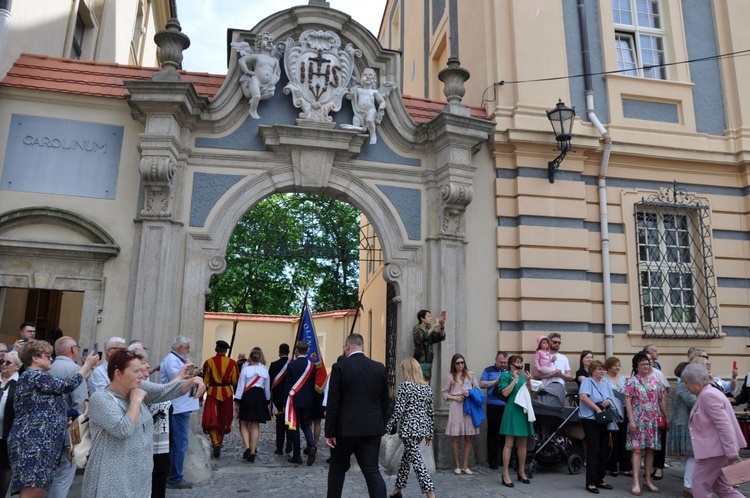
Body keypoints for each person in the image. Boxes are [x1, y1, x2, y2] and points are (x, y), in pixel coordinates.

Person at [81, 348, 205, 497]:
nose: (141, 376)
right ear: (118, 374)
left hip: (138, 478)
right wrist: (136, 401)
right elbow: (123, 430)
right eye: (135, 372)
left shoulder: (138, 387)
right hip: (112, 480)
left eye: (141, 370)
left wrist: (193, 380)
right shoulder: (101, 399)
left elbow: (165, 391)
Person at [8, 339, 99, 497]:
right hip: (34, 442)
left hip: (40, 441)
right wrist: (87, 365)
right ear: (35, 358)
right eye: (47, 356)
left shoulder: (38, 377)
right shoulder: (34, 376)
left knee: (38, 487)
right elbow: (67, 385)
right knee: (33, 490)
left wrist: (61, 419)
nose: (51, 359)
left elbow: (47, 404)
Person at [325, 333, 388, 498]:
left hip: (345, 430)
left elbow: (333, 403)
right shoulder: (379, 368)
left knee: (337, 469)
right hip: (372, 429)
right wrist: (382, 426)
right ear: (363, 347)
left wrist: (329, 432)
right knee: (372, 471)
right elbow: (385, 402)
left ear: (347, 347)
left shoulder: (340, 368)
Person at [681, 363, 746, 498]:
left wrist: (731, 451)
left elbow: (724, 425)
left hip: (713, 452)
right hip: (716, 450)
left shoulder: (708, 395)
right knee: (722, 487)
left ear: (696, 381)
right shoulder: (710, 392)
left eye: (686, 382)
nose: (685, 386)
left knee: (699, 485)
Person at [385, 358, 435, 498]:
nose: (402, 372)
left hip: (409, 430)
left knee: (417, 463)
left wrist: (387, 428)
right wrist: (429, 433)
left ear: (407, 370)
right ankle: (396, 492)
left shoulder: (405, 386)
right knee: (406, 461)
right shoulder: (427, 388)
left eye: (402, 369)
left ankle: (431, 494)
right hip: (421, 431)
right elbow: (430, 413)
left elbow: (398, 411)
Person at [46, 336, 88, 498]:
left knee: (49, 474)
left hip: (49, 431)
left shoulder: (48, 367)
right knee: (64, 475)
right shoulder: (74, 369)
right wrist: (83, 438)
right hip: (69, 430)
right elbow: (80, 404)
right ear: (72, 349)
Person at [159, 335, 201, 490]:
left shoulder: (179, 360)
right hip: (177, 407)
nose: (189, 350)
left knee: (179, 442)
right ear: (181, 348)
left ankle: (173, 474)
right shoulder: (171, 360)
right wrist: (194, 374)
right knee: (180, 443)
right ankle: (175, 476)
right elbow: (179, 381)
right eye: (188, 347)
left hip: (182, 406)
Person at [623, 351, 666, 496]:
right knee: (637, 450)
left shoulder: (655, 381)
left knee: (650, 449)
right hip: (638, 420)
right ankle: (636, 481)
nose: (646, 367)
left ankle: (647, 479)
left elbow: (660, 399)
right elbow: (628, 401)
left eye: (647, 364)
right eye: (642, 364)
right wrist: (632, 420)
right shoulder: (631, 381)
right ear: (636, 367)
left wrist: (666, 416)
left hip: (652, 420)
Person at [578, 360, 615, 494]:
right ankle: (591, 482)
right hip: (591, 418)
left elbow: (612, 398)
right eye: (599, 369)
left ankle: (600, 478)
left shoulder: (605, 383)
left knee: (603, 448)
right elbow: (583, 397)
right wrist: (597, 408)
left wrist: (608, 402)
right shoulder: (587, 381)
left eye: (603, 369)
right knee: (593, 449)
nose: (602, 371)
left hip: (603, 418)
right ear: (593, 370)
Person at [499, 354, 534, 488]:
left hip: (523, 410)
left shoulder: (524, 376)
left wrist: (529, 382)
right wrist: (514, 380)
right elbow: (505, 393)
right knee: (509, 442)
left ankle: (521, 471)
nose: (519, 364)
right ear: (511, 364)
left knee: (523, 442)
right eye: (517, 362)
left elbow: (529, 393)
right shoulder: (505, 376)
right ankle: (505, 473)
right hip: (512, 409)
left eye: (521, 362)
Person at [441, 353, 479, 475]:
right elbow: (444, 393)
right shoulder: (450, 377)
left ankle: (465, 465)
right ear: (454, 364)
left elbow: (477, 389)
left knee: (468, 437)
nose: (460, 365)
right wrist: (454, 397)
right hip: (456, 407)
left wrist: (470, 393)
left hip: (468, 406)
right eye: (458, 363)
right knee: (456, 438)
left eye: (462, 362)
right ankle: (457, 465)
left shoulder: (470, 375)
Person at [231, 31, 281, 119]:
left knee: (271, 93)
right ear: (259, 43)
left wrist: (273, 81)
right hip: (256, 80)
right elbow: (241, 60)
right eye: (266, 39)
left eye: (270, 40)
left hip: (268, 85)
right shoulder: (257, 56)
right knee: (257, 96)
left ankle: (253, 100)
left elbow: (276, 73)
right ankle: (253, 110)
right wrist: (246, 71)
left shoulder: (275, 60)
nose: (269, 41)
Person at [201, 339, 238, 458]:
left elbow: (205, 381)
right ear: (226, 350)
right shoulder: (232, 363)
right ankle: (219, 443)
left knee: (212, 419)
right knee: (224, 419)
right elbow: (234, 381)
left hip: (212, 393)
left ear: (216, 349)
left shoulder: (209, 362)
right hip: (227, 393)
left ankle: (215, 442)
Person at [234, 349, 270, 462]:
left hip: (247, 396)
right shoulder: (265, 371)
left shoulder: (245, 370)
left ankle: (247, 447)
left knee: (244, 423)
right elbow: (267, 388)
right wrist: (267, 400)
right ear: (260, 358)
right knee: (255, 426)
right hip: (259, 396)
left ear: (250, 358)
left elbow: (240, 386)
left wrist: (237, 401)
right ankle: (253, 451)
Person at [285, 341, 316, 466]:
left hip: (294, 400)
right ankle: (311, 445)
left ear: (297, 351)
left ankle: (296, 455)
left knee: (295, 427)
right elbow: (313, 384)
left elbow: (288, 386)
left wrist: (285, 403)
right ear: (307, 351)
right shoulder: (312, 366)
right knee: (306, 425)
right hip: (308, 399)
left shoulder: (292, 366)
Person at [669, 362, 696, 497]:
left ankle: (690, 483)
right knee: (693, 455)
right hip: (684, 424)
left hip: (687, 423)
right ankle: (688, 485)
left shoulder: (685, 386)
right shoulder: (683, 386)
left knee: (693, 456)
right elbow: (693, 402)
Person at [478, 351, 509, 470]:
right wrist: (495, 382)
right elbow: (481, 384)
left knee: (506, 434)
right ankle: (493, 461)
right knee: (493, 433)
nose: (503, 364)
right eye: (501, 362)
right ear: (496, 359)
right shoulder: (488, 370)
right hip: (493, 405)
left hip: (507, 405)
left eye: (505, 362)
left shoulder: (509, 370)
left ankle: (506, 461)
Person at [603, 356, 632, 477]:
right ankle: (612, 466)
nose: (618, 367)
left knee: (624, 438)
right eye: (615, 365)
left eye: (619, 365)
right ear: (609, 366)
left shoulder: (622, 378)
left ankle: (625, 467)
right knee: (612, 438)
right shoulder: (604, 379)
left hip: (623, 409)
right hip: (612, 411)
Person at [645, 347, 669, 481]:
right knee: (648, 443)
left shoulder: (658, 374)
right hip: (644, 414)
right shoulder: (637, 375)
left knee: (660, 440)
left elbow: (665, 392)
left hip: (657, 412)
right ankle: (651, 467)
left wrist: (665, 412)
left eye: (649, 361)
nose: (648, 363)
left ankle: (659, 467)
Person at [0, 351, 20, 497]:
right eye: (2, 361)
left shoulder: (19, 384)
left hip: (8, 432)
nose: (3, 365)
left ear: (18, 366)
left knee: (5, 466)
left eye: (8, 363)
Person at [349, 68, 387, 144]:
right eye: (365, 75)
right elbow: (351, 96)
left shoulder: (374, 92)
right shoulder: (358, 90)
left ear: (374, 79)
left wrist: (381, 107)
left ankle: (373, 135)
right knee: (355, 122)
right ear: (361, 78)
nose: (368, 77)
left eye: (370, 75)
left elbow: (382, 101)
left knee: (369, 120)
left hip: (371, 110)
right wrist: (349, 95)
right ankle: (356, 139)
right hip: (358, 111)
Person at [268, 343, 292, 455]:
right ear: (289, 351)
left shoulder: (274, 365)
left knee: (279, 423)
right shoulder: (292, 364)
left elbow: (269, 382)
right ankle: (289, 444)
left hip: (277, 399)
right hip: (290, 398)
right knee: (289, 422)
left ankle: (279, 447)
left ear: (279, 351)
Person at [412, 309, 446, 381]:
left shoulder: (429, 328)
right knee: (419, 381)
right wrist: (434, 326)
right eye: (428, 316)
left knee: (426, 382)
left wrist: (442, 325)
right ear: (422, 318)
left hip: (428, 361)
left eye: (430, 316)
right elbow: (419, 339)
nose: (430, 318)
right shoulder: (417, 328)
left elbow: (440, 337)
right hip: (420, 361)